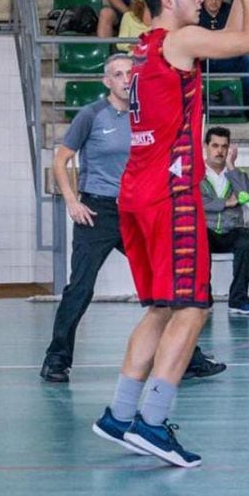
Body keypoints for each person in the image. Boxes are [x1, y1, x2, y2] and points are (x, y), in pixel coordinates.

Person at [90, 0, 249, 468]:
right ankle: (151, 422)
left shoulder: (146, 46)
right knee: (193, 307)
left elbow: (231, 38)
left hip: (137, 192)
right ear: (169, 0)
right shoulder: (179, 39)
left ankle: (120, 415)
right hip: (171, 194)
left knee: (161, 307)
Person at [41, 54, 225, 384]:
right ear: (107, 81)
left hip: (137, 210)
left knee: (168, 285)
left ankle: (189, 358)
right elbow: (61, 160)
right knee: (80, 288)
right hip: (97, 211)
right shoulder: (91, 115)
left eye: (131, 73)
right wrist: (72, 201)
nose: (127, 79)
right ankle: (56, 359)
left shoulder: (147, 116)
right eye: (119, 74)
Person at [200, 127, 249, 315]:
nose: (219, 151)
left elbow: (247, 195)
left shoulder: (236, 173)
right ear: (206, 147)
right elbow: (194, 200)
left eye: (224, 147)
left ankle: (238, 299)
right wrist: (226, 203)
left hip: (232, 228)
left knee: (246, 243)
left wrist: (232, 166)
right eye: (215, 146)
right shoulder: (195, 173)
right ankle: (203, 298)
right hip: (206, 228)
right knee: (197, 242)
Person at [199, 0, 249, 110]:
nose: (214, 1)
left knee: (248, 59)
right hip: (202, 59)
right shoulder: (196, 11)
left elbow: (242, 35)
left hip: (226, 57)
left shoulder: (230, 12)